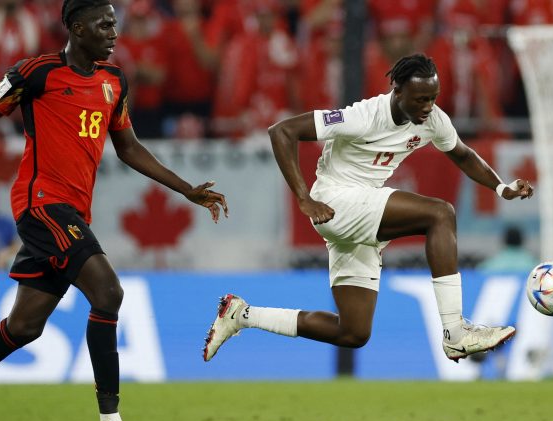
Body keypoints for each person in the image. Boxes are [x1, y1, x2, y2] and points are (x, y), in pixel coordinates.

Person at [0, 1, 228, 421]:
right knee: (108, 292)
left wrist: (186, 188)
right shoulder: (37, 73)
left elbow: (128, 147)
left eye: (115, 23)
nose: (114, 31)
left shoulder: (114, 81)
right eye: (104, 24)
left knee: (24, 327)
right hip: (40, 205)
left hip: (72, 213)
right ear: (76, 28)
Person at [203, 53, 533, 365]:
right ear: (397, 90)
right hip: (335, 202)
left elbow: (462, 154)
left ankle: (241, 315)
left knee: (353, 332)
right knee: (440, 214)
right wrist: (304, 197)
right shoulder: (362, 117)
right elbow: (282, 131)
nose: (427, 107)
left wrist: (501, 187)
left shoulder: (433, 120)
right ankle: (455, 332)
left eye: (433, 98)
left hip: (360, 214)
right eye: (420, 99)